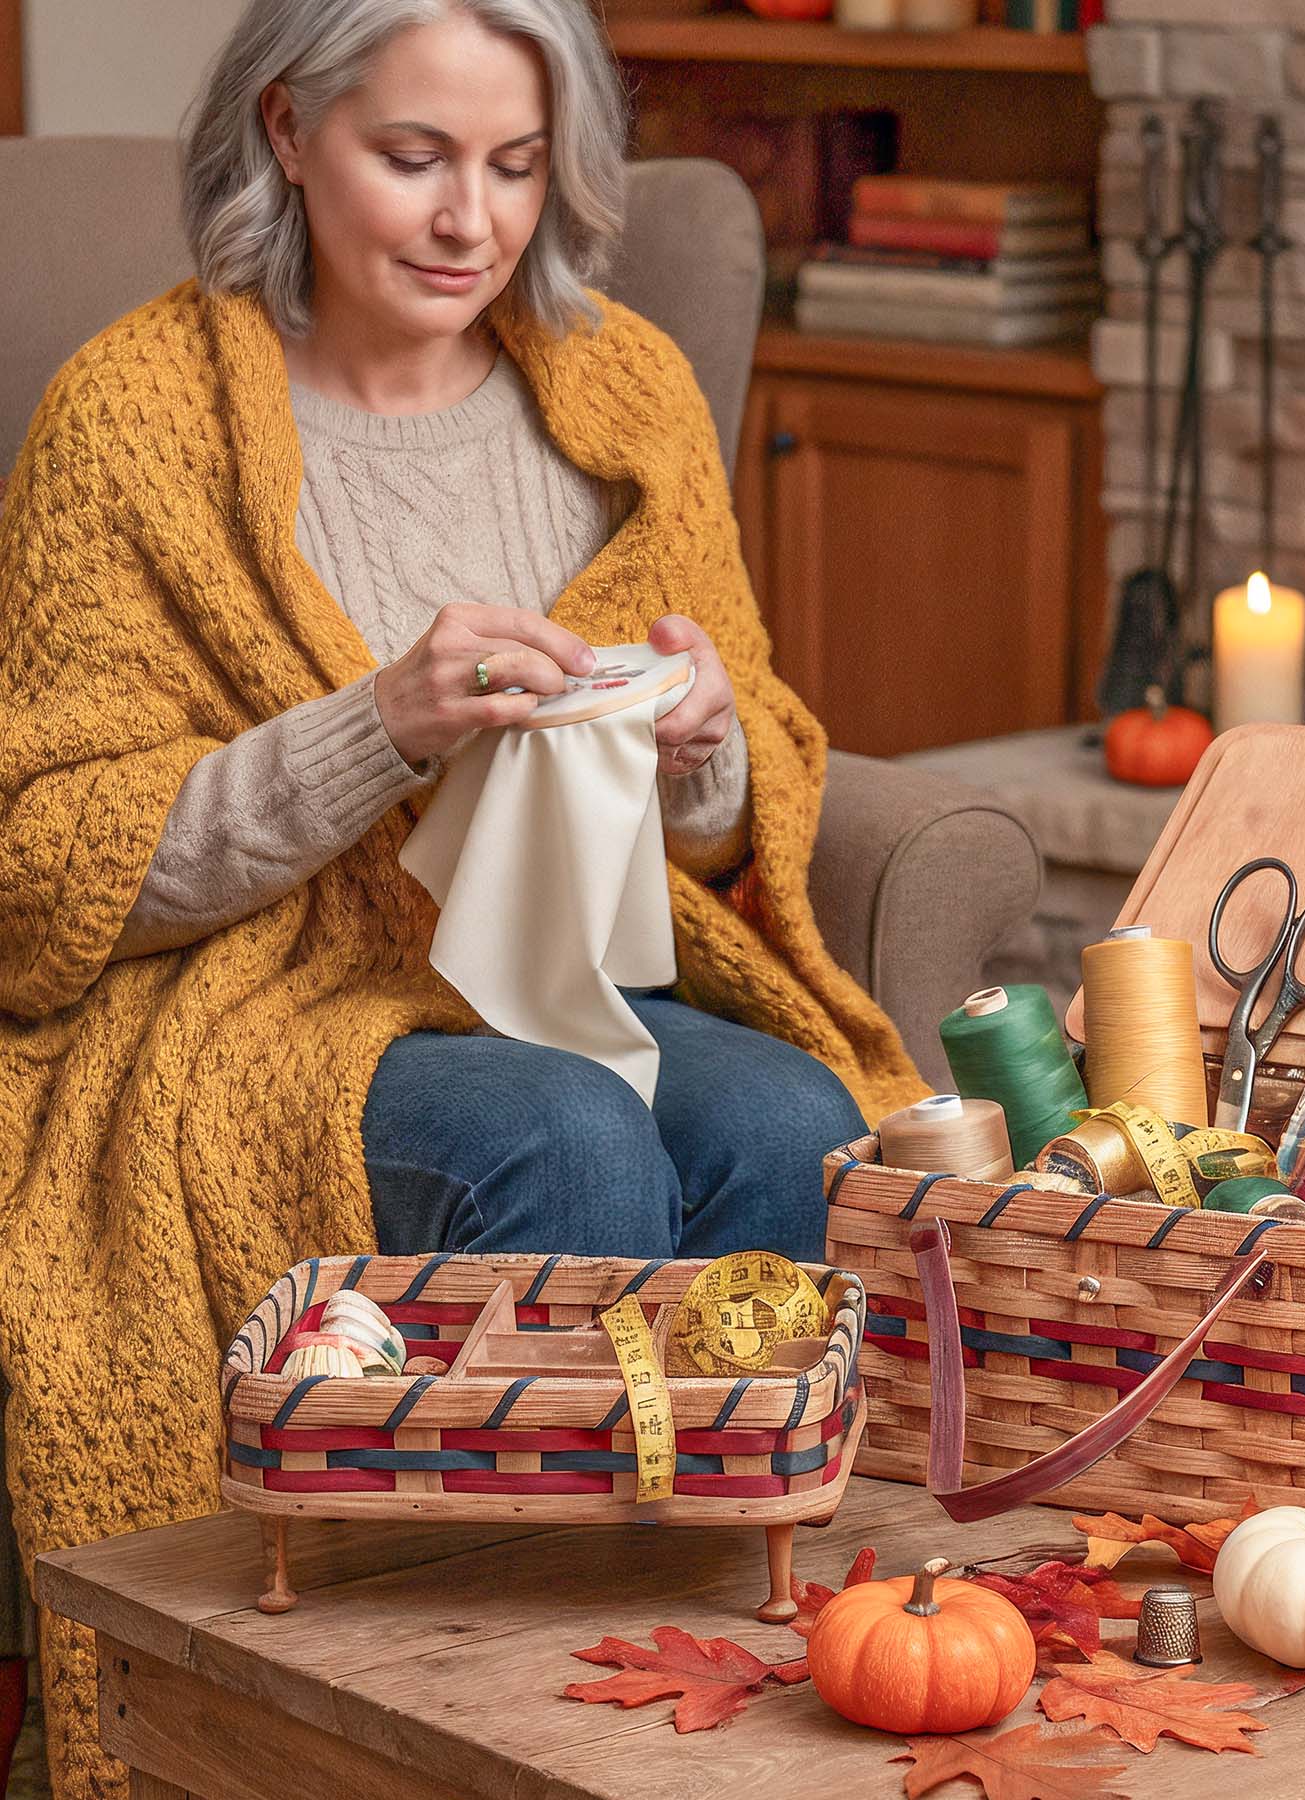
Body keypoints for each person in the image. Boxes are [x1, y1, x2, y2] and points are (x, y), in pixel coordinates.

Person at [0, 1, 922, 1788]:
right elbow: (44, 861)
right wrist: (375, 729)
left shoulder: (621, 383)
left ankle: (728, 1684)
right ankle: (493, 1731)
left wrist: (703, 748)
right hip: (261, 992)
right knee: (564, 1141)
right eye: (412, 158)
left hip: (579, 963)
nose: (470, 222)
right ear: (286, 129)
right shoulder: (133, 413)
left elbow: (739, 801)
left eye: (514, 167)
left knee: (798, 1115)